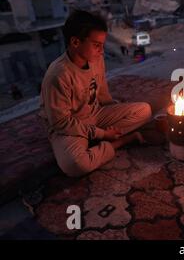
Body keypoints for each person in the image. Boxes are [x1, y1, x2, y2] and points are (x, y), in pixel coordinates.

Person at [39, 10, 153, 177]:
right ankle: (120, 142)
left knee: (145, 110)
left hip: (95, 115)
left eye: (102, 45)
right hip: (70, 126)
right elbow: (61, 122)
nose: (101, 51)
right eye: (96, 45)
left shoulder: (95, 59)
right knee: (75, 164)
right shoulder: (58, 75)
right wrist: (103, 133)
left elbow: (101, 92)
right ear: (75, 42)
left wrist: (114, 110)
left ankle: (95, 142)